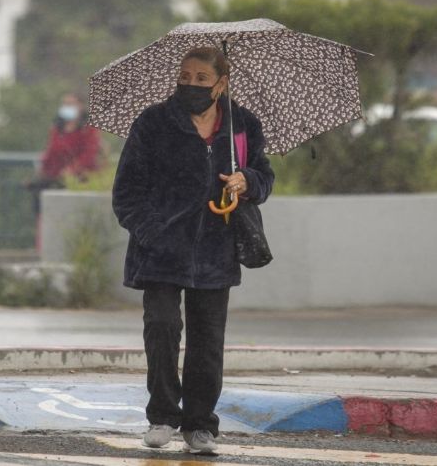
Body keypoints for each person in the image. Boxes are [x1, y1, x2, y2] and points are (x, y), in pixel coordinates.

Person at [111, 47, 274, 454]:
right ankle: (163, 416)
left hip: (216, 251)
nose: (191, 84)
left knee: (207, 341)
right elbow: (127, 193)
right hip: (160, 252)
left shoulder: (242, 125)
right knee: (163, 329)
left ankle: (201, 425)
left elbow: (265, 177)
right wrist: (154, 233)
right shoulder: (153, 122)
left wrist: (246, 181)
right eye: (185, 76)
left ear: (222, 83)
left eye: (202, 78)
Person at [30, 93, 102, 249]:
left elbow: (89, 154)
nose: (67, 107)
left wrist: (72, 170)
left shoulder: (88, 130)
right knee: (41, 205)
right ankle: (43, 246)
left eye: (72, 104)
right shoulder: (58, 129)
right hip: (56, 178)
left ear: (81, 106)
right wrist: (43, 170)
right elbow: (51, 152)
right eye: (65, 104)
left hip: (81, 179)